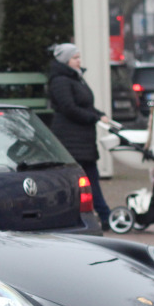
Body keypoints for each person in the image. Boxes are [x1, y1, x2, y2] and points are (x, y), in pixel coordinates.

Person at [46, 43, 111, 227]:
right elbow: (69, 108)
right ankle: (103, 215)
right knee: (78, 180)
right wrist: (93, 118)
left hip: (83, 139)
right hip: (70, 139)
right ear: (66, 60)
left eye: (79, 57)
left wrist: (99, 115)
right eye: (75, 58)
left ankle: (104, 215)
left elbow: (85, 105)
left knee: (91, 177)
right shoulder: (60, 80)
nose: (79, 61)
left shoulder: (76, 78)